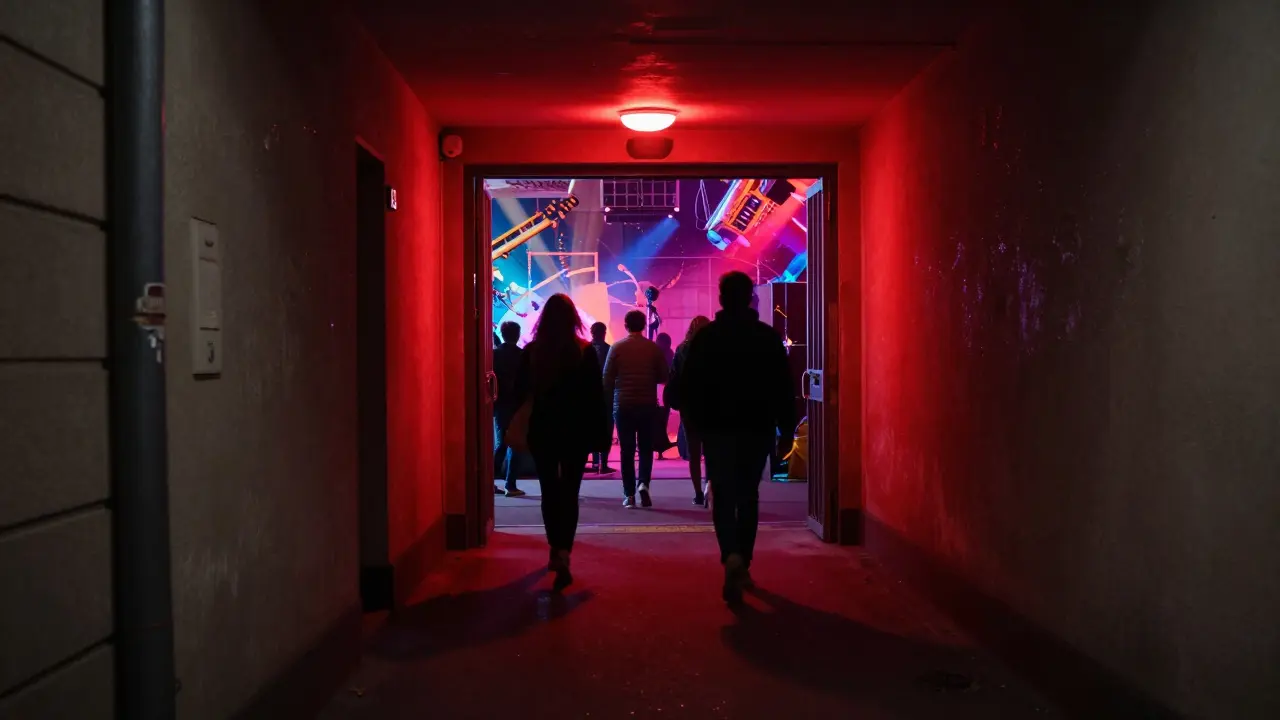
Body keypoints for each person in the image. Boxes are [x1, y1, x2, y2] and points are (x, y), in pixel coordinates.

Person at [680, 271, 794, 605]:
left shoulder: (706, 338)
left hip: (716, 429)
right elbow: (783, 389)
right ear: (750, 298)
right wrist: (785, 431)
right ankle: (743, 558)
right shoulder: (767, 338)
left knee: (722, 494)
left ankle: (729, 554)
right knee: (748, 495)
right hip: (756, 428)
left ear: (721, 298)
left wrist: (697, 425)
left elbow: (689, 386)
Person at [514, 294, 609, 590]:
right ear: (573, 319)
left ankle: (554, 547)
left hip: (543, 430)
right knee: (570, 491)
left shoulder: (532, 352)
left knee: (548, 492)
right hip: (575, 432)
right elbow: (596, 398)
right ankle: (565, 550)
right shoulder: (584, 352)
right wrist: (601, 435)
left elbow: (520, 391)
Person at [603, 309, 669, 508]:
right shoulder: (653, 348)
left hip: (623, 405)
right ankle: (644, 484)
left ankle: (629, 494)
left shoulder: (617, 348)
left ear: (625, 325)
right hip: (647, 404)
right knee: (646, 449)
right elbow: (663, 376)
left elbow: (607, 377)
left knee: (627, 450)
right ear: (644, 325)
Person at [665, 315, 712, 506]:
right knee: (711, 450)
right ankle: (710, 486)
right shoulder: (715, 348)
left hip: (689, 405)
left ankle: (698, 493)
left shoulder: (682, 349)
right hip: (711, 405)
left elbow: (673, 376)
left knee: (694, 453)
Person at [492, 321, 526, 497]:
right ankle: (510, 485)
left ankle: (489, 481)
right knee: (516, 443)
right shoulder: (523, 355)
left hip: (500, 404)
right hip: (518, 405)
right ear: (518, 334)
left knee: (501, 444)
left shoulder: (494, 354)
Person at [587, 322, 616, 475]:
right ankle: (603, 464)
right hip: (606, 395)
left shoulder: (586, 349)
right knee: (606, 429)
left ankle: (594, 461)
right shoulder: (609, 349)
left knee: (591, 428)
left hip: (589, 396)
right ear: (604, 332)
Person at [653, 332, 677, 458]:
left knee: (656, 420)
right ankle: (661, 447)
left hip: (655, 390)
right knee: (663, 419)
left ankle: (658, 447)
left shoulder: (654, 353)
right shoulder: (670, 354)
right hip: (665, 390)